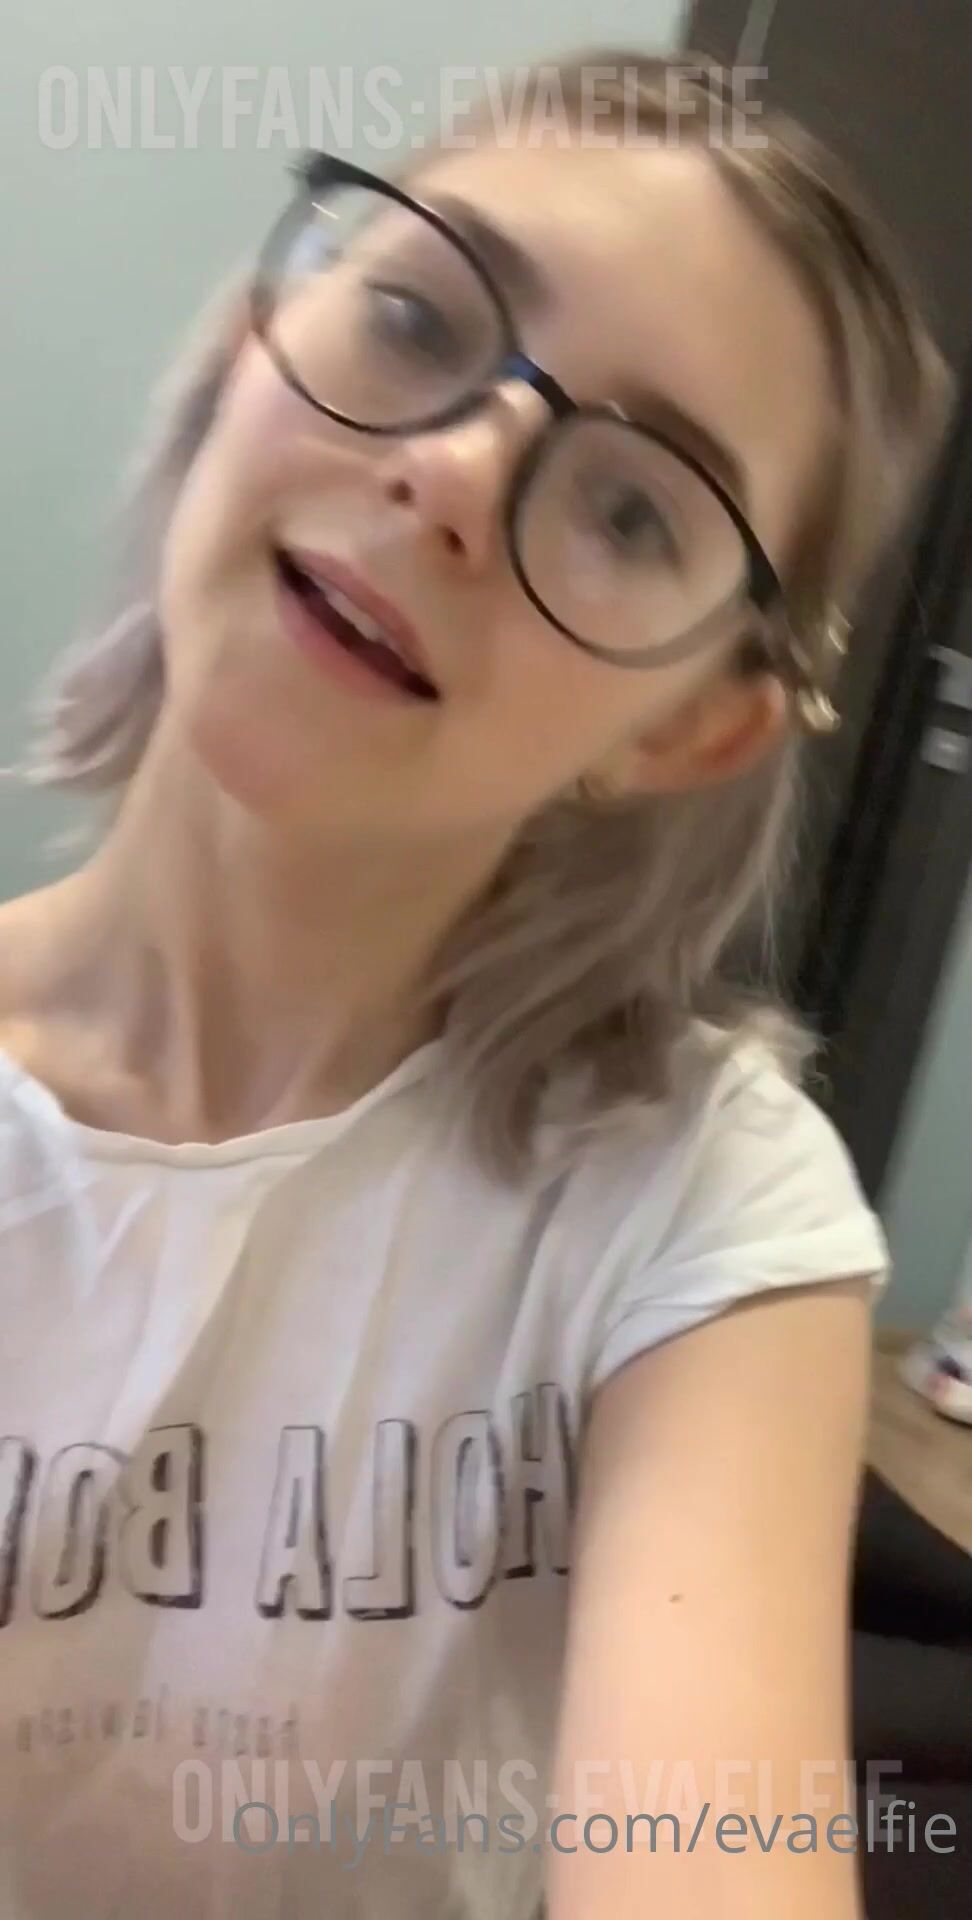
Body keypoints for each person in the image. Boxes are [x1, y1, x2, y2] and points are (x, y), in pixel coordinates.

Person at [0, 46, 948, 1920]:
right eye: (420, 317)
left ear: (692, 729)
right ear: (254, 344)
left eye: (633, 509)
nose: (449, 473)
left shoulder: (694, 1199)